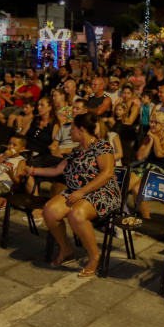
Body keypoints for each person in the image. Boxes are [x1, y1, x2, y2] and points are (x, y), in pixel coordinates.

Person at [26, 113, 121, 278]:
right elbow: (57, 170)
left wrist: (81, 192)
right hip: (76, 191)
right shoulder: (77, 150)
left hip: (102, 192)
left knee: (76, 214)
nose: (70, 133)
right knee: (49, 210)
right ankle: (66, 248)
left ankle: (94, 257)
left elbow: (107, 173)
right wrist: (32, 170)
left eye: (72, 129)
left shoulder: (102, 146)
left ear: (81, 130)